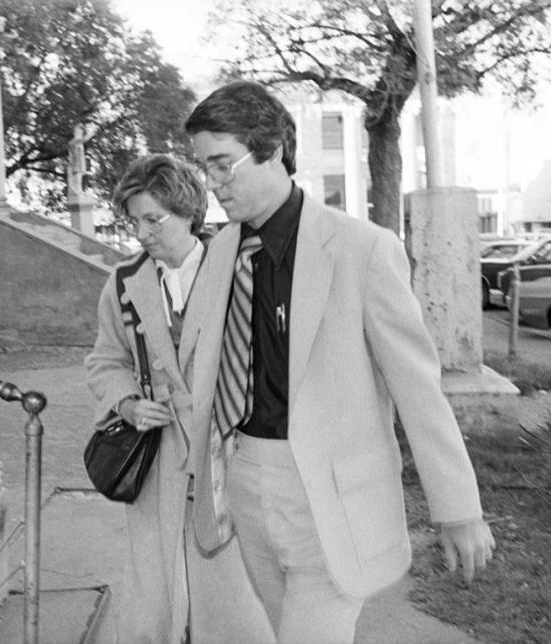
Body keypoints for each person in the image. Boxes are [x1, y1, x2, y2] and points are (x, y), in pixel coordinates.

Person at [181, 81, 496, 643]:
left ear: (273, 149)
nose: (213, 183)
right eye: (205, 168)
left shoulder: (363, 250)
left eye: (223, 165)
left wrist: (459, 507)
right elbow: (204, 368)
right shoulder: (221, 251)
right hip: (247, 484)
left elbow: (417, 389)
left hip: (330, 500)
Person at [85, 154, 274, 643]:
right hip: (158, 462)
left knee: (232, 597)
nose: (142, 233)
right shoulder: (125, 283)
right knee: (155, 597)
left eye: (153, 219)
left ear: (188, 211)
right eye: (134, 221)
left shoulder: (239, 271)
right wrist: (127, 402)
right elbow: (105, 360)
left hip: (230, 452)